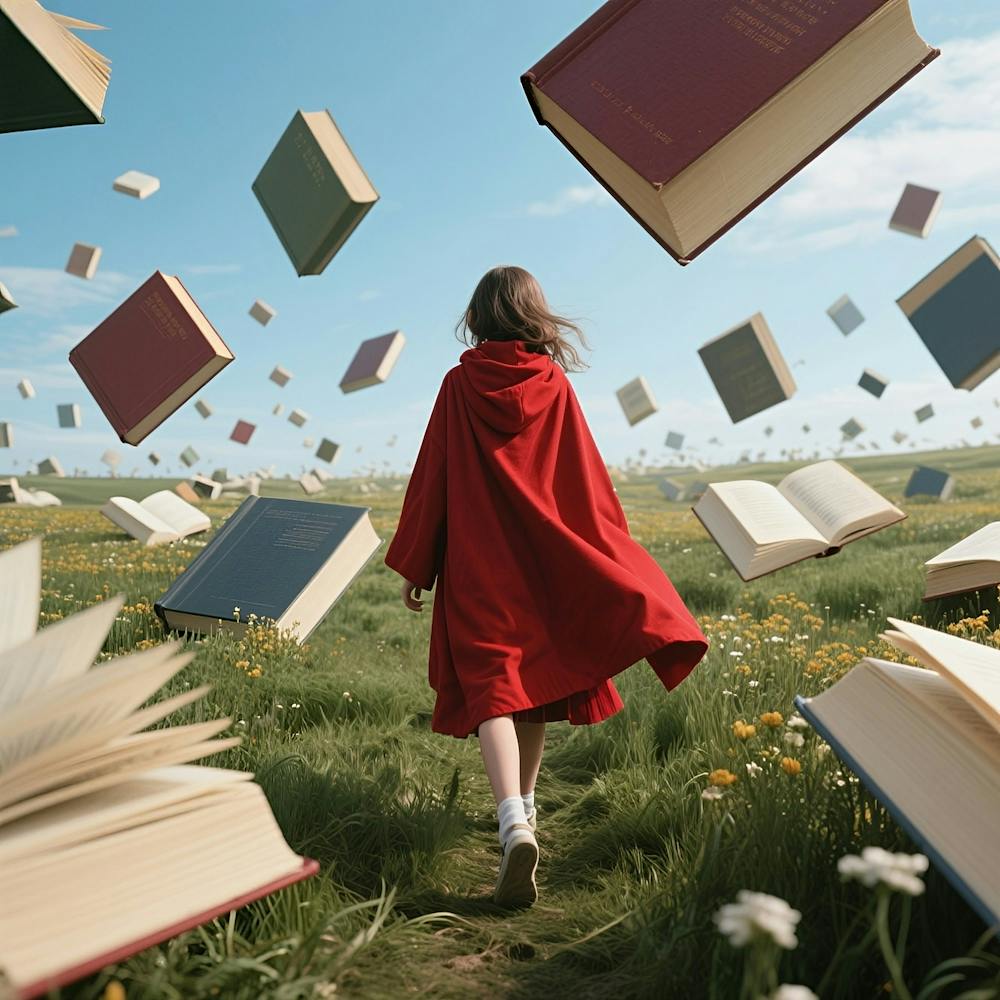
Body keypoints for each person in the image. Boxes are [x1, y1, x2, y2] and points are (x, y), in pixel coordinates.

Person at [383, 265, 709, 908]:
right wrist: (605, 553)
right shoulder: (554, 384)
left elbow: (433, 477)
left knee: (493, 693)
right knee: (529, 691)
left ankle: (513, 823)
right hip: (542, 568)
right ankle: (523, 817)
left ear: (476, 318)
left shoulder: (456, 386)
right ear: (535, 316)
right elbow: (584, 480)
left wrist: (419, 564)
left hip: (479, 568)